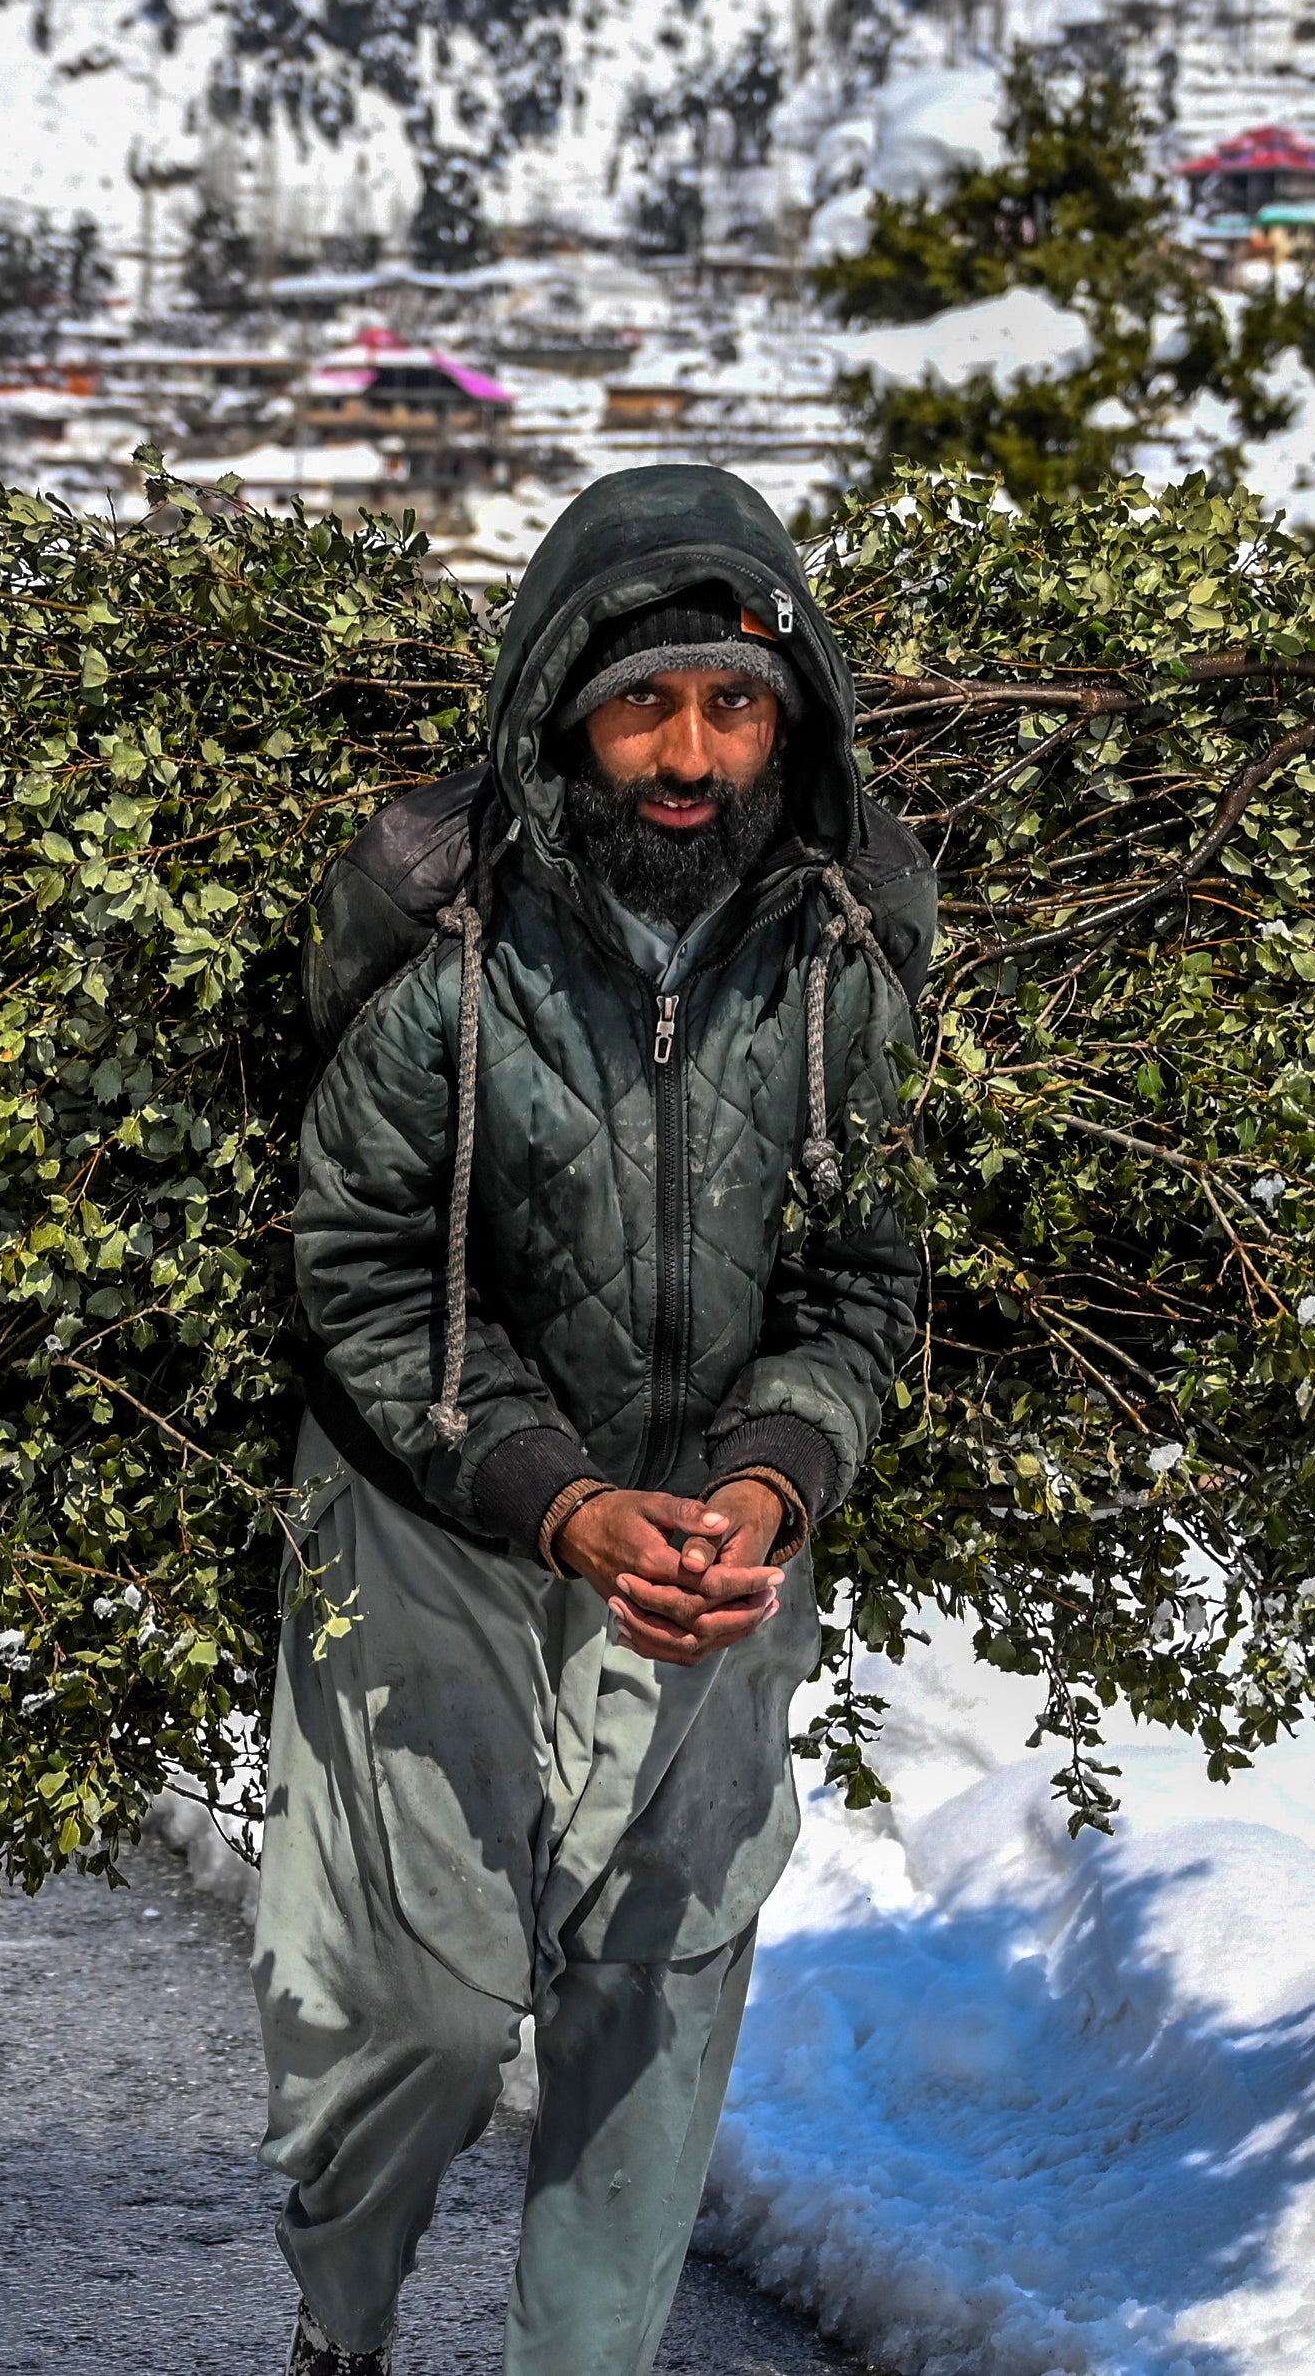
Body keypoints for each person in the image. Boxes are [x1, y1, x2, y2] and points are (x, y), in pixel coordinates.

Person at [260, 462, 935, 2376]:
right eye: (643, 703)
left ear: (787, 723)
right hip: (435, 1497)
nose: (688, 755)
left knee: (659, 1962)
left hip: (713, 1526)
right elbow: (365, 1268)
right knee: (417, 2000)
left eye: (732, 707)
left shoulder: (840, 965)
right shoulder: (446, 948)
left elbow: (861, 1278)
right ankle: (343, 2324)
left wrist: (771, 1478)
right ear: (561, 709)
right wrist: (555, 1502)